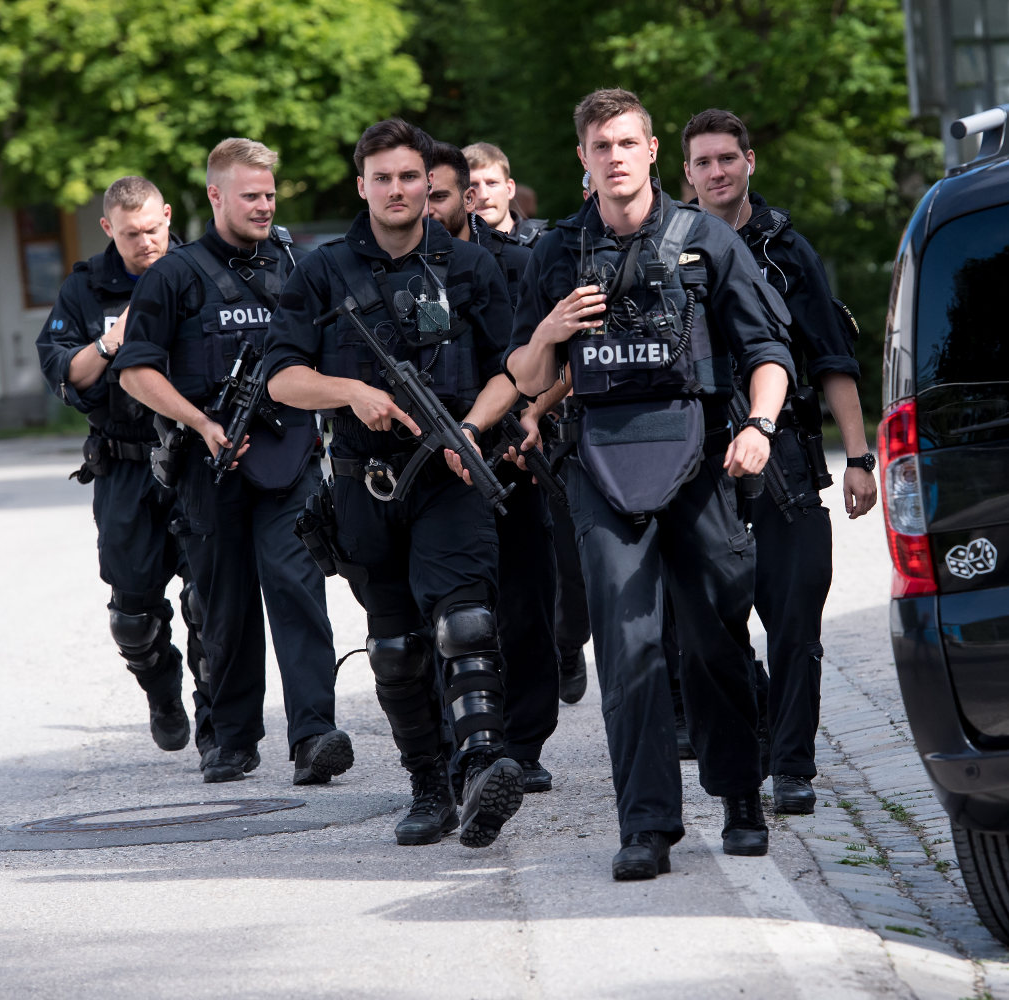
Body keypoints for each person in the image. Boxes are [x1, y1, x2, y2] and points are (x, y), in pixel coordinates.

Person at [506, 88, 795, 881]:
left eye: (628, 143)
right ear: (583, 159)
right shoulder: (555, 254)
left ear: (653, 149)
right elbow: (525, 376)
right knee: (628, 647)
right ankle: (646, 826)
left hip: (702, 458)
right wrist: (550, 331)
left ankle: (740, 796)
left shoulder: (704, 240)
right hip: (600, 463)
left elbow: (770, 348)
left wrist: (758, 427)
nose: (615, 157)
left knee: (711, 641)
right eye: (601, 146)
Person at [265, 119, 524, 848]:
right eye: (383, 178)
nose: (398, 190)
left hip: (449, 473)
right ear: (363, 187)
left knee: (463, 621)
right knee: (395, 648)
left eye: (410, 177)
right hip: (365, 483)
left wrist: (474, 427)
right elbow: (283, 378)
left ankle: (482, 764)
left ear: (431, 184)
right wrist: (348, 390)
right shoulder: (320, 271)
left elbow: (517, 368)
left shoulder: (470, 267)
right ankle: (428, 785)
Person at [114, 139, 351, 786]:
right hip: (208, 465)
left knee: (298, 589)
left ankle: (314, 736)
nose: (264, 205)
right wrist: (203, 424)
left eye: (270, 194)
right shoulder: (176, 275)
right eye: (251, 195)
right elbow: (134, 370)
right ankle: (234, 737)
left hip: (291, 458)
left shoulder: (298, 268)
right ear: (215, 195)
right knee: (226, 602)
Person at [682, 109, 879, 815]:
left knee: (796, 621)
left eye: (726, 158)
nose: (716, 172)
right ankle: (758, 733)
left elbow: (832, 357)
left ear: (749, 162)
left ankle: (793, 764)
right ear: (686, 175)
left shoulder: (787, 251)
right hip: (699, 466)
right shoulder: (667, 251)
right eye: (703, 162)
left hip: (788, 460)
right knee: (714, 625)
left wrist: (859, 455)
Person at [34, 175, 213, 762]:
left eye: (154, 229)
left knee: (211, 601)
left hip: (195, 457)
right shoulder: (87, 288)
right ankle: (162, 693)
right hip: (126, 466)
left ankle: (220, 729)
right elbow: (64, 371)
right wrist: (113, 342)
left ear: (167, 215)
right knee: (133, 618)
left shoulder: (202, 268)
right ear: (110, 228)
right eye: (131, 233)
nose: (146, 242)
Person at [427, 138, 563, 788]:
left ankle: (526, 744)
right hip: (436, 456)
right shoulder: (405, 268)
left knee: (526, 602)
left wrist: (526, 419)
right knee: (454, 608)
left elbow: (536, 350)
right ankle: (459, 743)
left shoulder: (517, 259)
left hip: (512, 447)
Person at [462, 142, 547, 246]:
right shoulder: (450, 251)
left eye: (492, 183)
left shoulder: (545, 245)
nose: (483, 195)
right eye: (473, 185)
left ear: (510, 189)